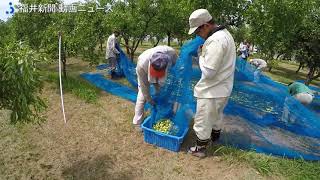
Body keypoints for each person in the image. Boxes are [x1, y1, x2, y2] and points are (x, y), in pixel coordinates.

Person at [187, 9, 236, 157]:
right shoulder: (226, 34)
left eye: (197, 31)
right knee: (216, 115)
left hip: (211, 91)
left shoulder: (215, 40)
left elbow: (209, 72)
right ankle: (215, 138)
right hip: (223, 88)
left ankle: (200, 149)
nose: (197, 35)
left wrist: (201, 55)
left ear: (206, 25)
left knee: (203, 119)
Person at [133, 46, 177, 131]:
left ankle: (162, 110)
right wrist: (149, 100)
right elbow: (144, 87)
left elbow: (178, 65)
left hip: (165, 69)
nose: (156, 76)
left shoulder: (171, 53)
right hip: (144, 71)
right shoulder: (142, 64)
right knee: (142, 95)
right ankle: (137, 122)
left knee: (160, 91)